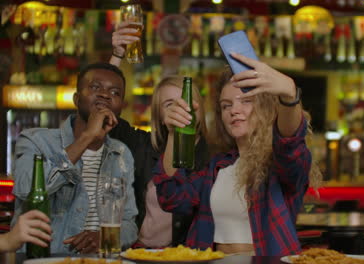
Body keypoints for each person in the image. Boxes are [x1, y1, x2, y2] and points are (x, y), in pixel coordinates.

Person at [153, 53, 313, 256]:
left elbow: (290, 145)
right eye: (226, 105)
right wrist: (173, 134)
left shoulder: (277, 164)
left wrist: (289, 95)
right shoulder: (217, 166)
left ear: (265, 107)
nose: (234, 110)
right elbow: (173, 199)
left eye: (245, 101)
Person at [10, 63, 138, 254]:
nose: (105, 94)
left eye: (115, 92)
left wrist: (105, 238)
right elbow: (26, 190)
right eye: (95, 87)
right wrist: (87, 137)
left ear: (121, 107)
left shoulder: (121, 153)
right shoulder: (35, 141)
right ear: (76, 99)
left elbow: (130, 225)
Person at [108, 23, 210, 248]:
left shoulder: (216, 156)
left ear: (199, 108)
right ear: (158, 115)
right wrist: (117, 56)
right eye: (169, 104)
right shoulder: (144, 145)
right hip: (138, 254)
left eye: (185, 101)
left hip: (187, 259)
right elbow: (104, 117)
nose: (180, 109)